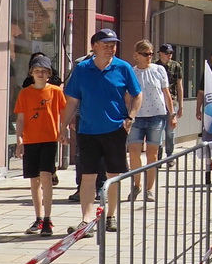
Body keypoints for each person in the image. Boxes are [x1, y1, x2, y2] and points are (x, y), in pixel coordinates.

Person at [61, 29, 142, 230]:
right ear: (94, 46)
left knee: (113, 175)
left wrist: (131, 117)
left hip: (115, 129)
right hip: (87, 130)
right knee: (88, 176)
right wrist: (62, 127)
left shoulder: (123, 68)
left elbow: (137, 94)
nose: (110, 48)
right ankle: (87, 220)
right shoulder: (82, 69)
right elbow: (72, 100)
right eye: (106, 44)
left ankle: (110, 215)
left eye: (113, 44)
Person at [13, 56, 65, 235]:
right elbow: (20, 118)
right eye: (37, 71)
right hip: (30, 140)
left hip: (49, 139)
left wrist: (64, 131)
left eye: (44, 71)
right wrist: (19, 139)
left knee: (45, 176)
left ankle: (48, 219)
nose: (40, 74)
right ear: (31, 74)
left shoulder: (56, 92)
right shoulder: (25, 93)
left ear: (49, 74)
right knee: (34, 180)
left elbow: (63, 112)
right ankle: (38, 218)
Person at [127, 41, 175, 200]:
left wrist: (172, 114)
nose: (149, 57)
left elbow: (166, 93)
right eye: (145, 54)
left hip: (156, 115)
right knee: (134, 153)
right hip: (137, 117)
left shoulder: (159, 70)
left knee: (152, 154)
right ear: (136, 56)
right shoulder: (131, 72)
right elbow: (127, 96)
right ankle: (136, 185)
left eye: (151, 54)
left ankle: (149, 189)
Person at [156, 44, 184, 158]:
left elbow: (179, 85)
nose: (169, 55)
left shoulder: (176, 66)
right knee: (157, 131)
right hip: (157, 102)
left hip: (172, 102)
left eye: (171, 53)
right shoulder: (154, 66)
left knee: (170, 131)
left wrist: (181, 106)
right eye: (167, 53)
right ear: (161, 53)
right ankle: (158, 156)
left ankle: (169, 156)